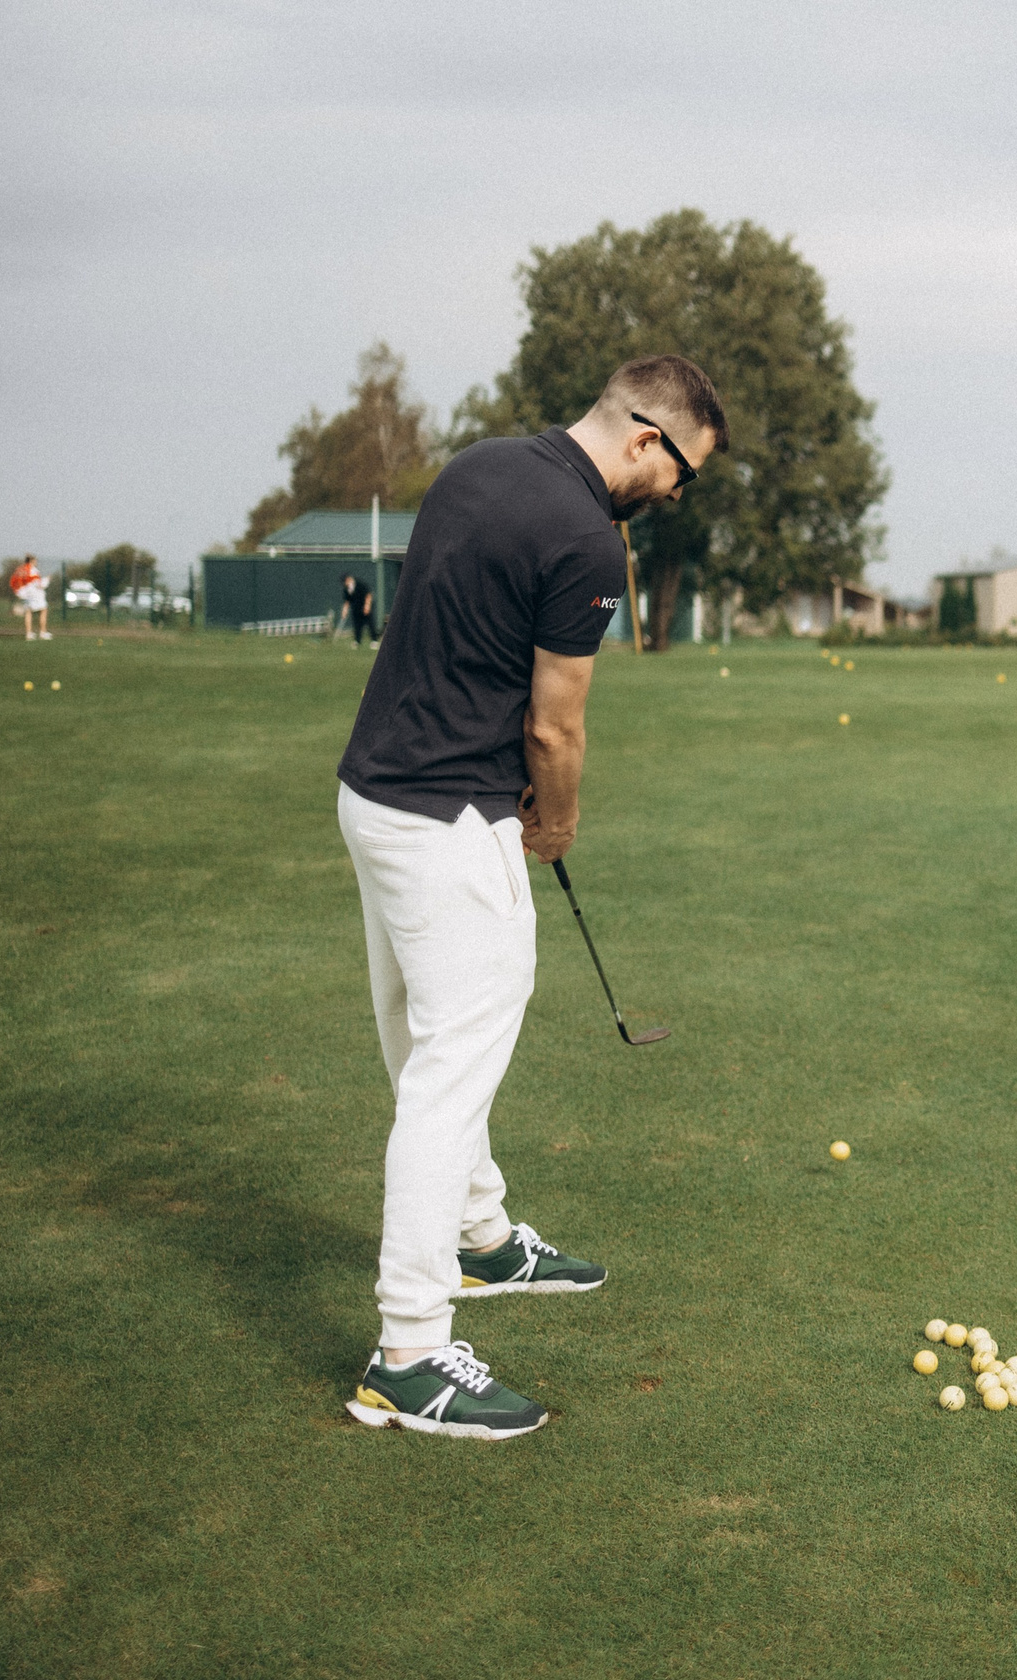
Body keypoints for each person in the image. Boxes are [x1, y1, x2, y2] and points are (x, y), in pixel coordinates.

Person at [334, 355, 724, 1438]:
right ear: (647, 438)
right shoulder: (587, 538)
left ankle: (485, 1241)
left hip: (373, 793)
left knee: (421, 1037)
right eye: (683, 471)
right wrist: (553, 822)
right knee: (448, 1073)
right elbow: (555, 724)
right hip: (452, 818)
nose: (678, 494)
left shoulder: (480, 466)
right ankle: (408, 1353)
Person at [11, 555, 49, 640]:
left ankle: (29, 633)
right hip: (34, 593)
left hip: (24, 593)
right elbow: (39, 584)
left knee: (28, 612)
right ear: (31, 561)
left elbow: (13, 581)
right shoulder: (33, 570)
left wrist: (18, 592)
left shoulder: (20, 569)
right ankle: (43, 632)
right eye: (35, 560)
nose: (36, 562)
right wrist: (47, 580)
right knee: (43, 609)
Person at [339, 573, 377, 648]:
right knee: (357, 625)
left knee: (370, 624)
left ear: (348, 579)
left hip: (365, 606)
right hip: (356, 608)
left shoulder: (360, 584)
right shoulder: (346, 589)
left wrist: (367, 606)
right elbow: (347, 601)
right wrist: (344, 611)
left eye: (344, 581)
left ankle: (374, 641)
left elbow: (368, 595)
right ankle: (357, 641)